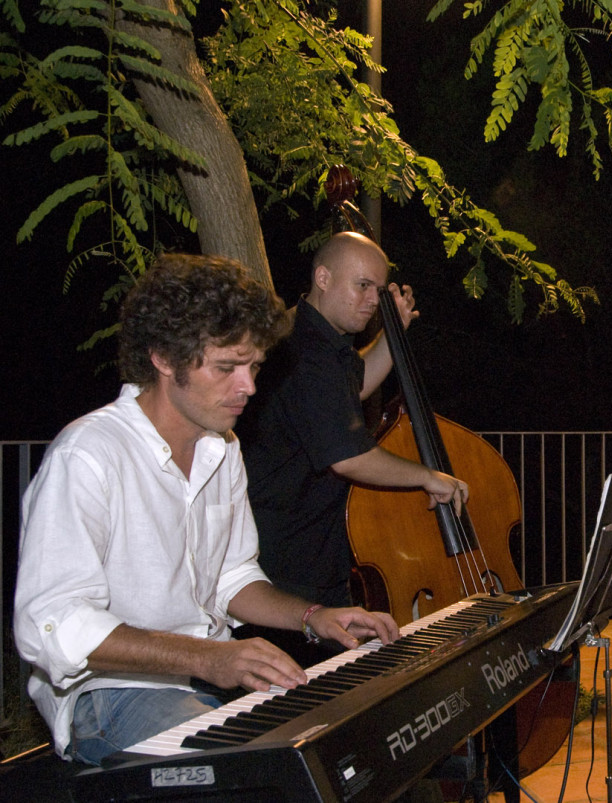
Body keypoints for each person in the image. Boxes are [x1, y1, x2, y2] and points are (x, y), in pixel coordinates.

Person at [13, 254, 400, 765]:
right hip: (112, 692)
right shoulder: (88, 455)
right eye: (226, 368)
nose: (249, 386)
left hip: (203, 678)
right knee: (256, 774)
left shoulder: (223, 448)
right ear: (164, 358)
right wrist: (210, 657)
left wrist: (313, 617)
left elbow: (233, 578)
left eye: (254, 366)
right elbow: (51, 624)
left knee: (340, 745)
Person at [238, 232, 468, 619]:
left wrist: (393, 335)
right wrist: (428, 476)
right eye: (362, 285)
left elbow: (353, 388)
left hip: (307, 551)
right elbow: (347, 457)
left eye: (377, 290)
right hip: (288, 561)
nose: (373, 300)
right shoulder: (308, 352)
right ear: (323, 278)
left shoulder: (316, 337)